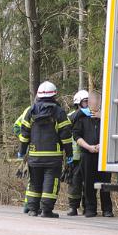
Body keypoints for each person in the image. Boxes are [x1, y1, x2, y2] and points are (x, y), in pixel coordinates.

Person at [18, 81, 73, 218]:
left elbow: (24, 133)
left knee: (34, 182)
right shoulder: (58, 112)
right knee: (50, 182)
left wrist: (22, 150)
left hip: (34, 155)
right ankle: (46, 211)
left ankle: (32, 209)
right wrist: (70, 153)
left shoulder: (31, 111)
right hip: (53, 156)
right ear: (54, 95)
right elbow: (66, 135)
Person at [72, 91, 113, 217]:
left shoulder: (106, 116)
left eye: (97, 101)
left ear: (100, 102)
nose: (94, 104)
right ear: (88, 102)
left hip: (104, 154)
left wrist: (103, 118)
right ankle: (90, 208)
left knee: (105, 183)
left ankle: (107, 209)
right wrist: (89, 147)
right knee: (88, 183)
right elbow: (76, 135)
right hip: (87, 153)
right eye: (92, 102)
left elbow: (113, 131)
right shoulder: (81, 117)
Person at [66, 90, 89, 216]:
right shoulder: (71, 116)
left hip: (89, 155)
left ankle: (87, 207)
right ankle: (73, 207)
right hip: (74, 156)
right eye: (86, 101)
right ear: (78, 103)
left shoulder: (93, 115)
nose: (88, 104)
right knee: (74, 182)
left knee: (88, 182)